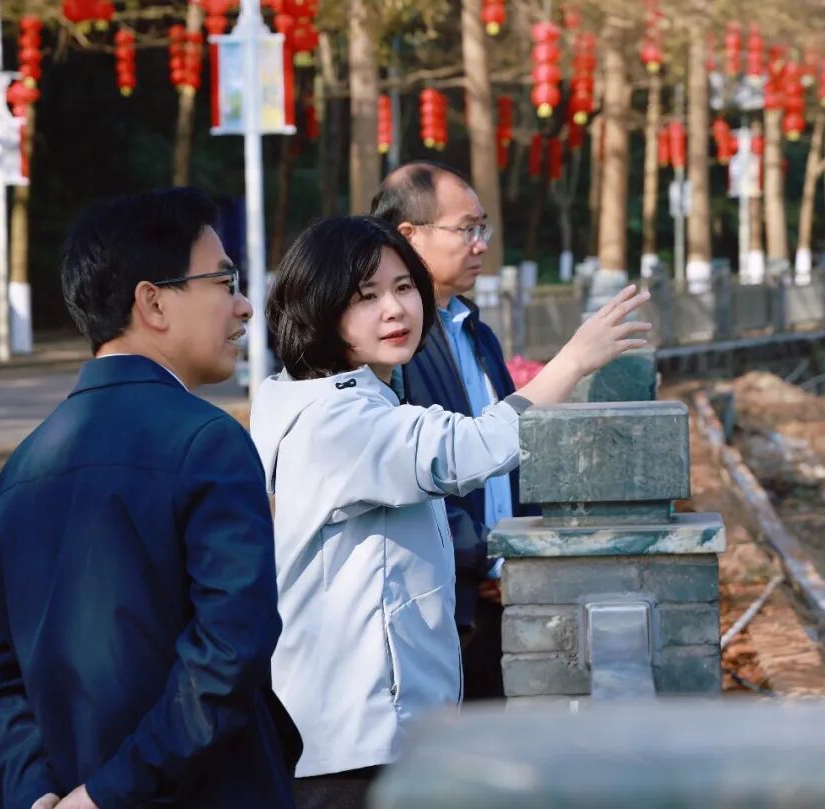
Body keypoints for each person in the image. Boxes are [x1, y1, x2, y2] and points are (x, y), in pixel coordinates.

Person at [250, 215, 649, 808]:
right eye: (365, 296)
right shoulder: (338, 420)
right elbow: (473, 448)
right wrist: (572, 362)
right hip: (355, 741)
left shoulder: (339, 398)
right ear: (319, 308)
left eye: (403, 287)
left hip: (365, 728)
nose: (394, 309)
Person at [0, 188, 300, 809]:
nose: (245, 305)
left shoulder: (19, 471)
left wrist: (35, 792)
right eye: (224, 281)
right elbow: (229, 650)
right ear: (154, 302)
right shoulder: (209, 441)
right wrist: (109, 793)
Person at [371, 161, 527, 699]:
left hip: (501, 590)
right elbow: (409, 472)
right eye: (466, 229)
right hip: (444, 600)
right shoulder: (393, 349)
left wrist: (521, 553)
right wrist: (489, 558)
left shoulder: (474, 331)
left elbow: (510, 449)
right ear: (410, 236)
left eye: (483, 228)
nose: (480, 244)